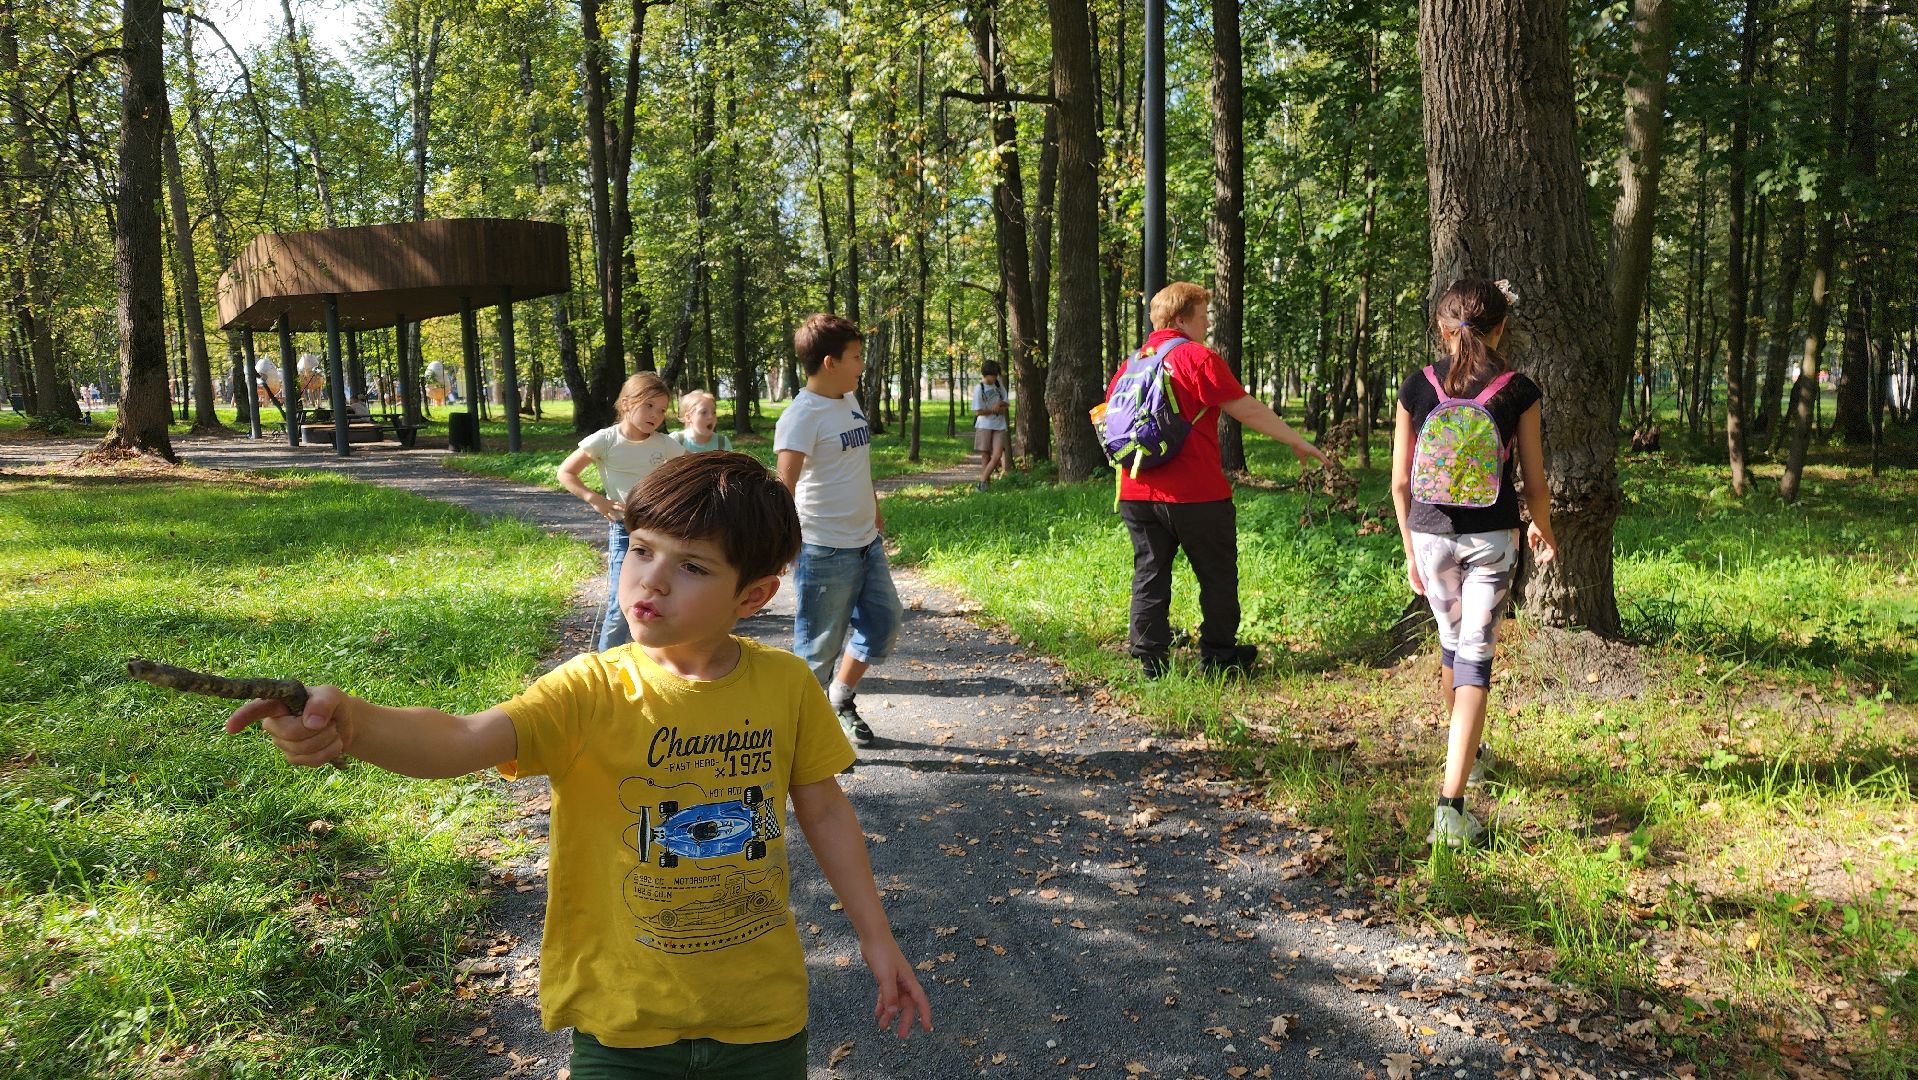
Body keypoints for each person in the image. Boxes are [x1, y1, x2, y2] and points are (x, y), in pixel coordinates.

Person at [225, 453, 933, 1076]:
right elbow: (460, 740)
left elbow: (824, 809)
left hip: (762, 1017)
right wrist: (351, 721)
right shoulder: (589, 689)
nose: (650, 582)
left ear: (753, 596)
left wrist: (878, 939)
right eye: (642, 551)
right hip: (620, 1022)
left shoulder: (784, 686)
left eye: (691, 567)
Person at [1390, 276, 1556, 847]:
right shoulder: (1519, 389)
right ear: (1501, 326)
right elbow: (1534, 481)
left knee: (1452, 649)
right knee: (1476, 663)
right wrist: (1544, 527)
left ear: (1443, 327)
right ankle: (1451, 809)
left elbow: (1398, 481)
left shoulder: (1416, 386)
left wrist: (1410, 548)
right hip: (1490, 539)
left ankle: (1471, 754)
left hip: (1431, 539)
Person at [1113, 282, 1327, 680]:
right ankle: (1218, 656)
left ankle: (1150, 662)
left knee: (1149, 572)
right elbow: (1245, 408)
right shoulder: (1197, 357)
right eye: (1202, 315)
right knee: (1217, 575)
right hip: (1195, 493)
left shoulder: (1132, 363)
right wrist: (1297, 441)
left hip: (1135, 489)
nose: (1208, 323)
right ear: (1182, 320)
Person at [773, 313, 901, 749]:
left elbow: (857, 462)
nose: (861, 365)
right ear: (830, 362)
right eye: (856, 357)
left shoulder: (847, 399)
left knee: (884, 623)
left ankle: (840, 697)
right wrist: (783, 545)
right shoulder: (801, 415)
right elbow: (783, 488)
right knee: (816, 652)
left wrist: (874, 508)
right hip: (824, 549)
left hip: (866, 541)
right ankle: (798, 742)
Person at [559, 372, 685, 652]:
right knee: (621, 602)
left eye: (662, 410)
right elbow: (566, 472)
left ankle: (657, 658)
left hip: (662, 531)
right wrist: (595, 499)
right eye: (649, 406)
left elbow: (691, 472)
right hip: (624, 530)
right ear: (627, 404)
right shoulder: (605, 440)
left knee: (662, 597)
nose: (656, 415)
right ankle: (608, 667)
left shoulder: (664, 445)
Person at [970, 360, 1010, 490]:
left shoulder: (998, 385)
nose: (995, 377)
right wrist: (993, 410)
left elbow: (1006, 402)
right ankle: (986, 485)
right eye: (993, 375)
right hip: (984, 425)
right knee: (985, 455)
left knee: (997, 455)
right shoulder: (979, 389)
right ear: (986, 374)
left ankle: (981, 481)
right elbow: (978, 412)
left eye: (996, 375)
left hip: (999, 425)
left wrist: (999, 404)